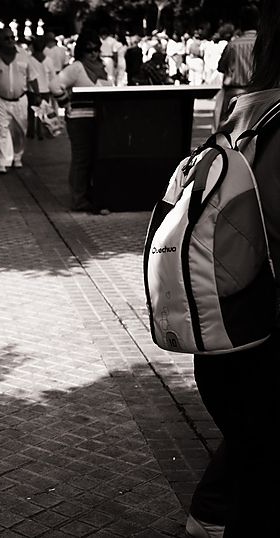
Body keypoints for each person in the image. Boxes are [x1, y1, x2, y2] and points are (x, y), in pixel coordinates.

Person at [185, 3, 280, 536]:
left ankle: (207, 515)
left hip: (225, 330)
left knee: (253, 458)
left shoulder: (241, 116)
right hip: (264, 339)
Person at [49, 31, 111, 213]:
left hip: (98, 120)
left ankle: (90, 195)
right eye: (88, 50)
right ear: (81, 51)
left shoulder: (103, 68)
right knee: (81, 159)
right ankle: (79, 199)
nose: (93, 54)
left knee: (94, 159)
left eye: (96, 49)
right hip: (79, 120)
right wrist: (65, 103)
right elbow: (54, 85)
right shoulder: (76, 68)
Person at [0, 27, 39, 174]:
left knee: (20, 130)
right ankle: (3, 161)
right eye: (6, 38)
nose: (10, 41)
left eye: (12, 37)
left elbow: (32, 77)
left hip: (20, 100)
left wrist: (38, 95)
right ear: (0, 41)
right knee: (1, 131)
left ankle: (17, 156)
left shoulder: (24, 55)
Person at [215, 6, 259, 127]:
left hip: (234, 93)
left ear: (241, 24)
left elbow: (221, 67)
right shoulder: (263, 45)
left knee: (227, 128)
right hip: (257, 93)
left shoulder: (233, 45)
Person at [27, 36, 56, 140]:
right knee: (43, 113)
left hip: (32, 90)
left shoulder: (29, 60)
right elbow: (53, 77)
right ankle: (41, 132)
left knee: (31, 113)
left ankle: (30, 132)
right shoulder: (49, 61)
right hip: (45, 90)